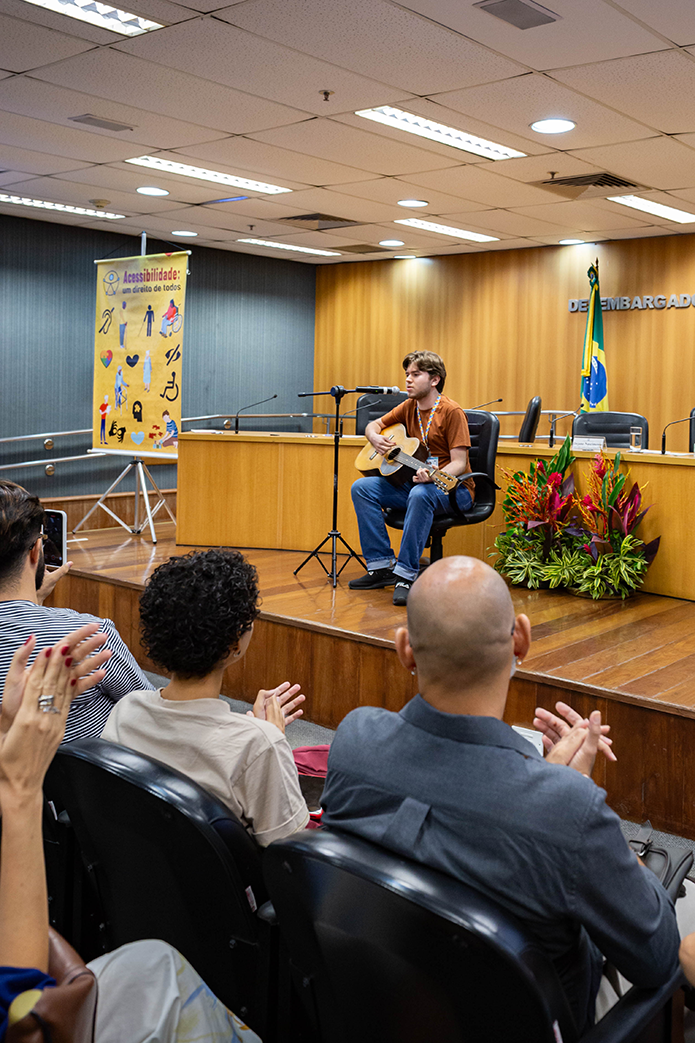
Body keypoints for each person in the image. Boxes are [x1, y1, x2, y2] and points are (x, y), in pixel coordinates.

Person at [321, 556, 681, 1032]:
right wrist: (570, 797)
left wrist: (546, 786)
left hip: (376, 1010)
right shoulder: (568, 810)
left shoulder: (354, 741)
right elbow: (659, 956)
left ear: (405, 648)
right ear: (522, 639)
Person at [0, 625, 261, 1043]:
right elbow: (29, 1015)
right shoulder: (257, 744)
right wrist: (20, 787)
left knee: (154, 962)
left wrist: (6, 738)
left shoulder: (128, 713)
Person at [102, 549, 313, 847]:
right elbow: (292, 853)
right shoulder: (259, 746)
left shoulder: (126, 710)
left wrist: (254, 730)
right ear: (235, 642)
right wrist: (269, 736)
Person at [0, 481, 154, 743]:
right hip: (79, 768)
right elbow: (149, 709)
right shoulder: (90, 636)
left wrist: (35, 600)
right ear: (36, 551)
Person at [349, 351, 475, 605]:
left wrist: (433, 476)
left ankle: (406, 575)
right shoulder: (408, 407)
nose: (408, 379)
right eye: (407, 374)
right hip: (417, 483)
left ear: (434, 380)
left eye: (416, 374)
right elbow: (373, 425)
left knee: (420, 494)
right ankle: (381, 567)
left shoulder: (452, 412)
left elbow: (459, 463)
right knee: (361, 488)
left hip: (455, 489)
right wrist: (374, 438)